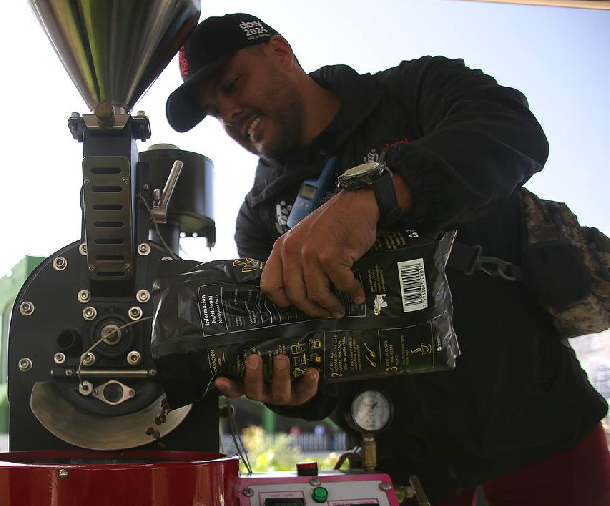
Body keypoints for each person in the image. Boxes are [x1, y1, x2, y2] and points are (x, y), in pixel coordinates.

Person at [166, 13, 610, 506]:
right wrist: (295, 389)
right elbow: (320, 375)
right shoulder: (258, 221)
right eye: (213, 109)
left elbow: (511, 128)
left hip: (544, 429)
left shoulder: (412, 92)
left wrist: (374, 193)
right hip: (414, 473)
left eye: (232, 84)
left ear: (280, 51)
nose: (229, 113)